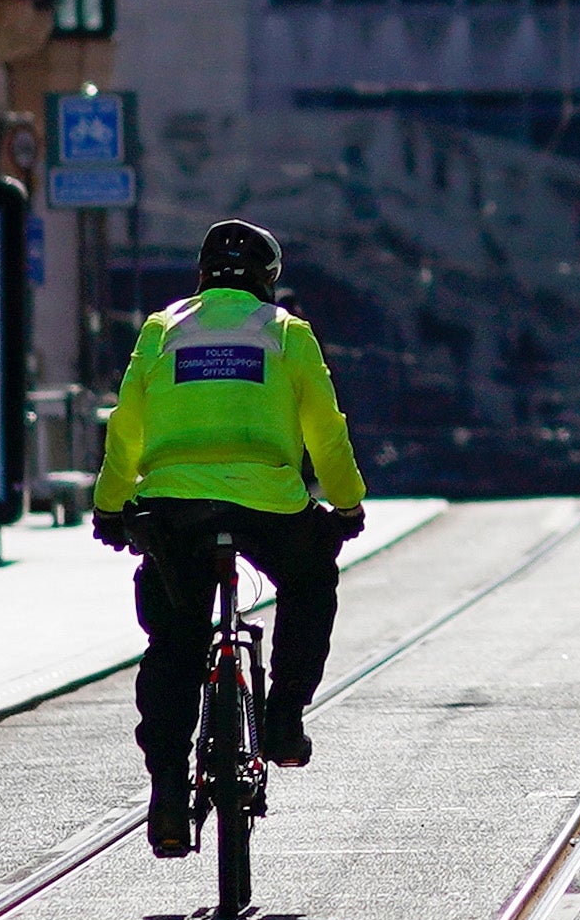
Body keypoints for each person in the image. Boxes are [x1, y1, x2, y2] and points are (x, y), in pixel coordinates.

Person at [91, 221, 371, 854]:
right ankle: (282, 718)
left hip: (175, 508)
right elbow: (326, 431)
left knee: (174, 640)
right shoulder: (285, 333)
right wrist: (346, 505)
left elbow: (126, 425)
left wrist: (111, 509)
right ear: (268, 280)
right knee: (309, 581)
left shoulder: (162, 330)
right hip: (269, 503)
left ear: (201, 275)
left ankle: (167, 786)